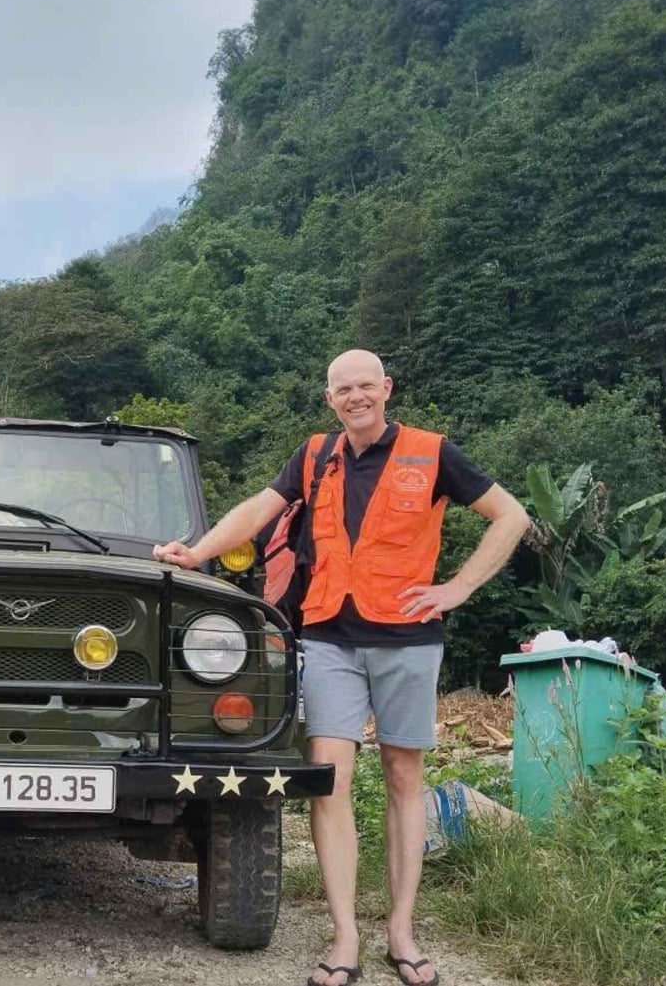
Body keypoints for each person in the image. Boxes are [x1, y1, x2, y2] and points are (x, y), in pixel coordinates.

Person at [153, 350, 529, 986]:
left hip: (409, 638)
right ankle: (345, 937)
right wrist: (198, 551)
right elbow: (259, 509)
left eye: (365, 386)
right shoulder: (313, 456)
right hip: (328, 637)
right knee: (331, 780)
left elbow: (511, 516)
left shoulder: (433, 452)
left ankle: (402, 935)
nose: (355, 397)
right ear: (330, 398)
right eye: (342, 389)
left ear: (386, 389)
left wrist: (458, 587)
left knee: (405, 778)